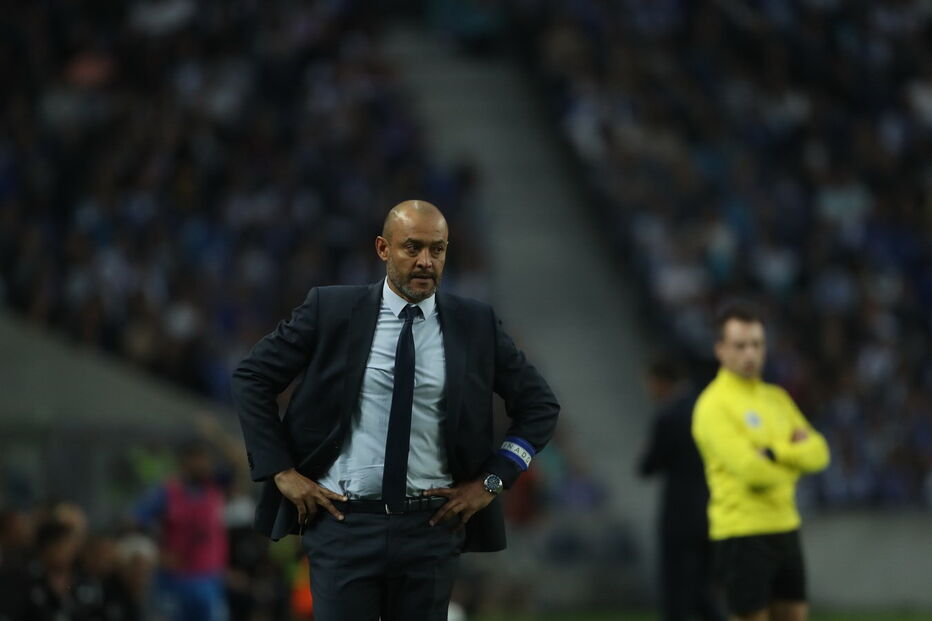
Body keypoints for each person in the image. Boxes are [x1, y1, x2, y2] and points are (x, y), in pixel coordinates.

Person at [232, 199, 560, 621]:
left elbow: (540, 406)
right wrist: (280, 472)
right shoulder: (330, 310)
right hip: (342, 524)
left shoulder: (474, 324)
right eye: (413, 248)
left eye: (437, 250)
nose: (426, 261)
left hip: (431, 530)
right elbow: (251, 378)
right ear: (383, 249)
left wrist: (492, 482)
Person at [692, 304, 830, 621]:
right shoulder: (713, 406)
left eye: (757, 344)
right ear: (720, 350)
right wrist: (795, 457)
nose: (750, 354)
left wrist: (774, 453)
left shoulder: (776, 398)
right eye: (740, 346)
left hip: (785, 526)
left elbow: (821, 453)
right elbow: (752, 472)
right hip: (742, 533)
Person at [638, 357, 724, 621]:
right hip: (710, 510)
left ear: (662, 381)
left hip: (679, 515)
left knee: (675, 592)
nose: (649, 389)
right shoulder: (708, 409)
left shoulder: (669, 415)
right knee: (701, 590)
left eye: (650, 383)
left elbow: (648, 466)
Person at [134, 440, 229, 621]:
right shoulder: (167, 493)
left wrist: (214, 434)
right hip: (175, 580)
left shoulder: (215, 489)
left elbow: (240, 462)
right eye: (196, 460)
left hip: (209, 578)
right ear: (184, 463)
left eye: (204, 460)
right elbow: (135, 521)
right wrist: (158, 554)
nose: (201, 465)